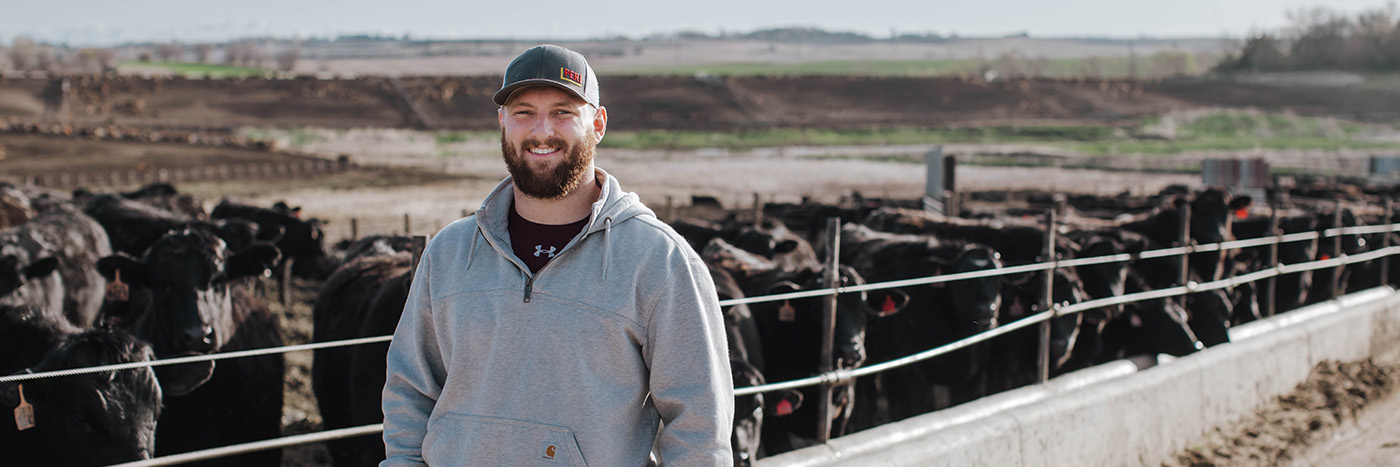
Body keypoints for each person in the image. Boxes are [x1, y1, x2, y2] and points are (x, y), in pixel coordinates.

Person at [381, 44, 734, 466]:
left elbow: (699, 427)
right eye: (524, 112)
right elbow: (409, 390)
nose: (541, 131)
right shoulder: (451, 252)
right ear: (503, 122)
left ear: (598, 124)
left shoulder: (659, 261)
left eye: (564, 112)